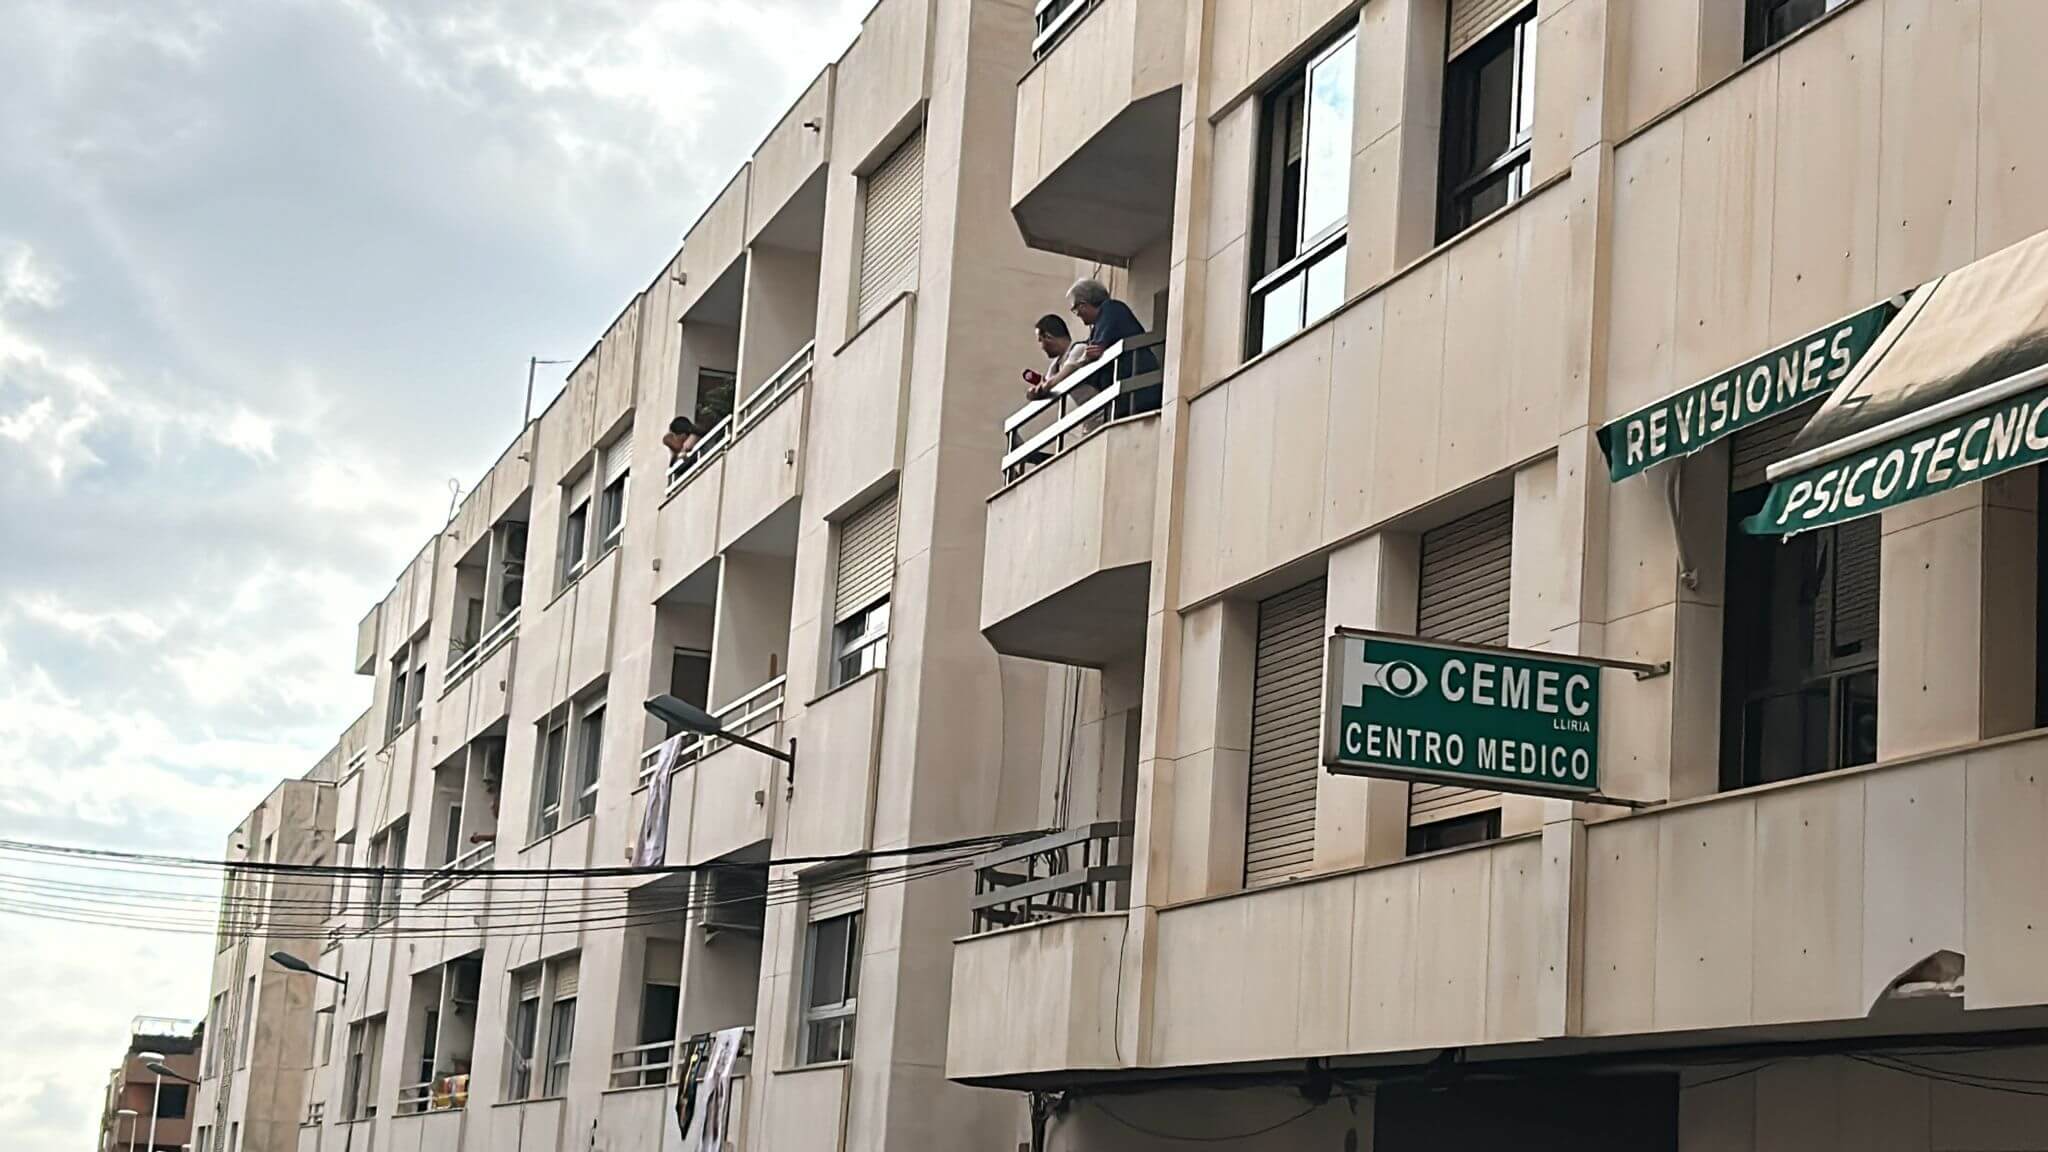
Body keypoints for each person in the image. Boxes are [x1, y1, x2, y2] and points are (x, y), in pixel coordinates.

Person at [1022, 314, 1089, 400]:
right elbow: (1046, 382)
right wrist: (1033, 393)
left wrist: (1044, 387)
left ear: (1048, 337)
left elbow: (1065, 373)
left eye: (1040, 340)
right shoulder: (1055, 365)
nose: (1042, 348)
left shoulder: (1079, 349)